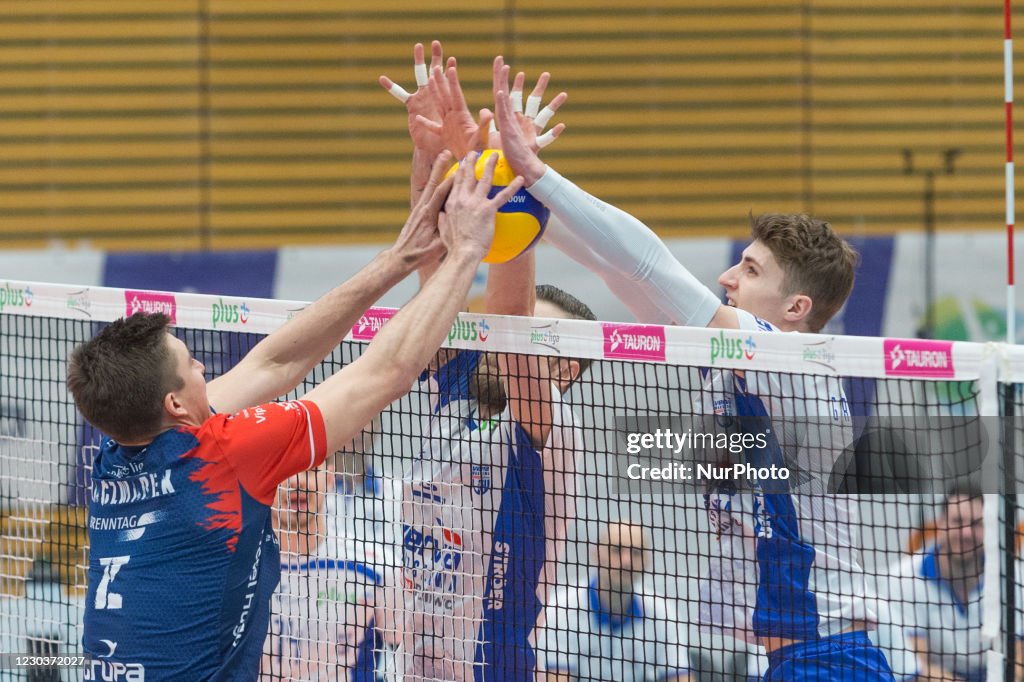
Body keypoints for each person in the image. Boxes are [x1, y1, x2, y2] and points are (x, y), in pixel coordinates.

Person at [489, 56, 893, 681]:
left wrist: (540, 174)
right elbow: (618, 271)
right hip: (800, 654)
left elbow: (653, 267)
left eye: (751, 271)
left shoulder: (790, 361)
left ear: (796, 308)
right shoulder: (735, 362)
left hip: (830, 656)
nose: (728, 278)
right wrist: (506, 198)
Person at [66, 152, 524, 680]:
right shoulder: (225, 455)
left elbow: (274, 361)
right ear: (174, 404)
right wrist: (467, 252)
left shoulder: (117, 446)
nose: (201, 366)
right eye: (190, 363)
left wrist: (400, 257)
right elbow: (386, 373)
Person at [380, 43, 589, 682]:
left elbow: (511, 325)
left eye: (539, 340)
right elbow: (431, 265)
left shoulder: (550, 430)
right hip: (409, 654)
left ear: (567, 370)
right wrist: (438, 158)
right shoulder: (461, 383)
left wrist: (513, 179)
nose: (504, 344)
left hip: (487, 663)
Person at [261, 461, 395, 681]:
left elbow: (415, 653)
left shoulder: (376, 569)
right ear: (261, 481)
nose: (297, 481)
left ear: (330, 478)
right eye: (282, 468)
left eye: (310, 469)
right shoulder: (235, 571)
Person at [538, 521, 691, 682]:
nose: (627, 561)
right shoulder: (560, 611)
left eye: (636, 552)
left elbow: (680, 678)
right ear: (596, 554)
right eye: (616, 550)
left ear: (647, 561)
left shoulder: (662, 613)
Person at [883, 487, 990, 682]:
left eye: (976, 524)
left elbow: (1018, 658)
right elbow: (915, 667)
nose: (966, 533)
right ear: (940, 524)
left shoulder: (1012, 575)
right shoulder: (904, 577)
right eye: (958, 521)